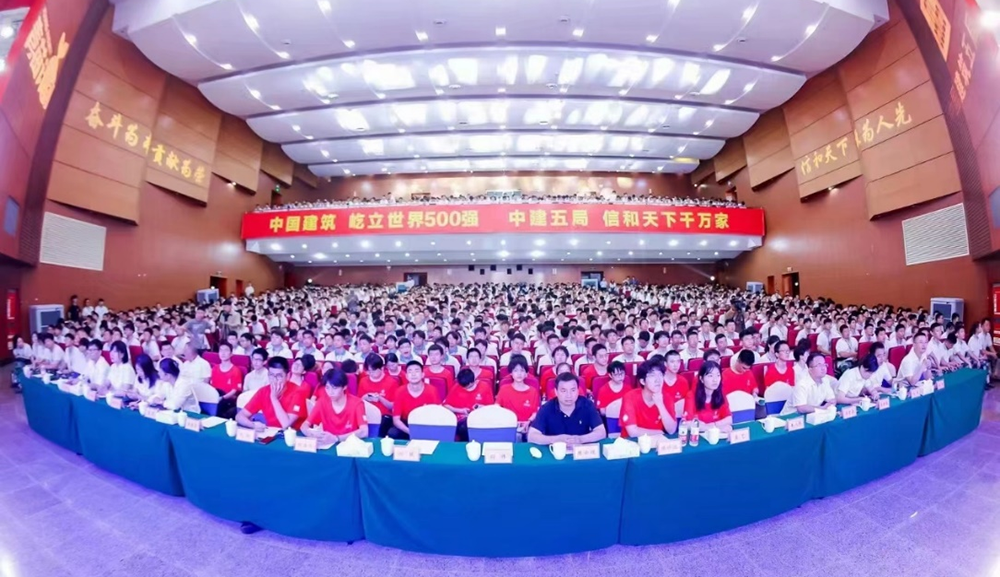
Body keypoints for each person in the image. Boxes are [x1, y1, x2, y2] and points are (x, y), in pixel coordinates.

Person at [527, 372, 606, 445]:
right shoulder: (546, 408)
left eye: (573, 390)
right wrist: (556, 439)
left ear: (578, 390)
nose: (569, 395)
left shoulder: (587, 405)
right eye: (564, 391)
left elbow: (601, 432)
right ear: (556, 392)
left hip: (581, 451)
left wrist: (580, 439)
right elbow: (531, 436)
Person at [236, 356, 309, 431]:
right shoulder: (263, 391)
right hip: (271, 432)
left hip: (294, 434)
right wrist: (252, 425)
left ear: (287, 376)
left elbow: (286, 425)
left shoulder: (298, 392)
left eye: (279, 376)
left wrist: (274, 398)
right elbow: (239, 416)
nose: (274, 380)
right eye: (271, 375)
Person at [301, 368, 368, 444]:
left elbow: (364, 431)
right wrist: (312, 434)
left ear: (345, 387)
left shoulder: (357, 403)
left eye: (334, 388)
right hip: (328, 445)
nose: (330, 392)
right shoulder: (321, 402)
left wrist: (337, 438)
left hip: (349, 445)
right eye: (327, 387)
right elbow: (304, 426)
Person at [620, 358, 678, 438]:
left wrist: (660, 405)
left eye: (660, 375)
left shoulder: (667, 398)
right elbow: (633, 432)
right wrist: (660, 433)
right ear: (642, 381)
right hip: (632, 442)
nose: (658, 379)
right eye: (652, 375)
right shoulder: (630, 397)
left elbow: (671, 430)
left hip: (658, 441)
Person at [389, 360, 441, 439]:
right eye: (410, 371)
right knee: (393, 432)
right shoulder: (400, 391)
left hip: (426, 424)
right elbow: (396, 420)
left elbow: (437, 415)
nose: (413, 374)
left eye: (416, 371)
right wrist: (410, 432)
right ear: (406, 376)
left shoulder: (432, 390)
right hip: (407, 425)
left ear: (422, 374)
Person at [444, 367, 495, 441]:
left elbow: (491, 408)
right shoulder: (456, 387)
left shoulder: (485, 387)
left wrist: (481, 407)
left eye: (466, 386)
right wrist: (460, 410)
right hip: (461, 420)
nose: (464, 388)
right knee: (463, 427)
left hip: (479, 418)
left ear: (472, 382)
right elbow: (446, 405)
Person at [682, 361, 733, 433]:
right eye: (710, 376)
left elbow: (729, 419)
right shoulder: (691, 395)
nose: (715, 380)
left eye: (718, 375)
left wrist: (711, 426)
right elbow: (687, 423)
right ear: (701, 379)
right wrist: (717, 427)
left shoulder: (721, 393)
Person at [496, 355, 540, 434]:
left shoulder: (533, 391)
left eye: (522, 370)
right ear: (511, 373)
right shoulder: (504, 389)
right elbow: (497, 408)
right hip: (508, 428)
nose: (519, 374)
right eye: (515, 370)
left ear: (526, 373)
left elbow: (535, 412)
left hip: (528, 428)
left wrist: (529, 422)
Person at [358, 353, 398, 436]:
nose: (370, 373)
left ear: (382, 368)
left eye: (373, 371)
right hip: (367, 414)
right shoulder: (363, 381)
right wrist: (365, 397)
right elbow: (358, 402)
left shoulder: (391, 382)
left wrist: (380, 398)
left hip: (384, 416)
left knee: (382, 426)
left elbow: (392, 406)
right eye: (368, 371)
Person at [211, 342, 244, 419]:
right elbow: (212, 387)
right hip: (216, 397)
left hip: (228, 400)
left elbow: (234, 391)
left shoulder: (236, 370)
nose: (223, 353)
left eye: (226, 350)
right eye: (221, 350)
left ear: (231, 354)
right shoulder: (214, 368)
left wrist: (222, 398)